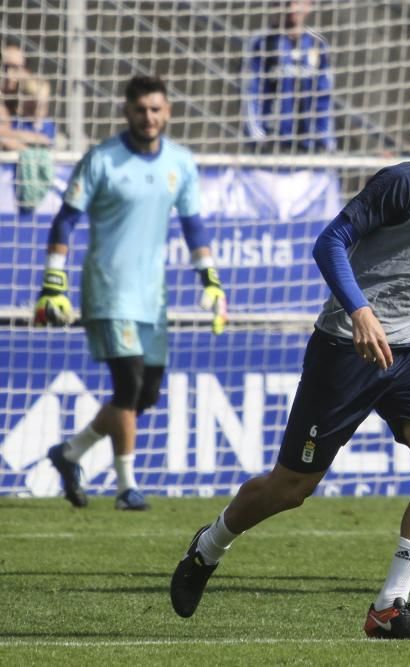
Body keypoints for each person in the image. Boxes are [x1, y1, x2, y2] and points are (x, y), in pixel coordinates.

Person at [170, 86, 410, 639]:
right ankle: (209, 546)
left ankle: (389, 607)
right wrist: (359, 310)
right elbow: (330, 241)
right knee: (291, 488)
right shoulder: (406, 183)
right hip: (346, 348)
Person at [37, 75, 228, 511]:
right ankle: (126, 487)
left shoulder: (180, 162)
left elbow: (193, 225)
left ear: (168, 112)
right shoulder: (102, 158)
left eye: (157, 109)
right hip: (108, 290)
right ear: (126, 111)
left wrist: (211, 279)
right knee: (128, 385)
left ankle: (70, 452)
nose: (149, 117)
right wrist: (53, 280)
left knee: (146, 395)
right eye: (141, 109)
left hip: (152, 297)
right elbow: (65, 220)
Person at [242, 0, 334, 153]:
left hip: (308, 146)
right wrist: (258, 137)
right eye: (287, 2)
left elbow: (324, 98)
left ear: (309, 6)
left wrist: (325, 140)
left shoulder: (318, 45)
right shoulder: (262, 43)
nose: (292, 8)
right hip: (270, 144)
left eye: (298, 2)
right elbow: (251, 93)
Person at [12, 76, 57, 212]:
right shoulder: (17, 123)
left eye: (43, 105)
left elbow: (47, 142)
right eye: (35, 105)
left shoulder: (48, 125)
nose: (39, 110)